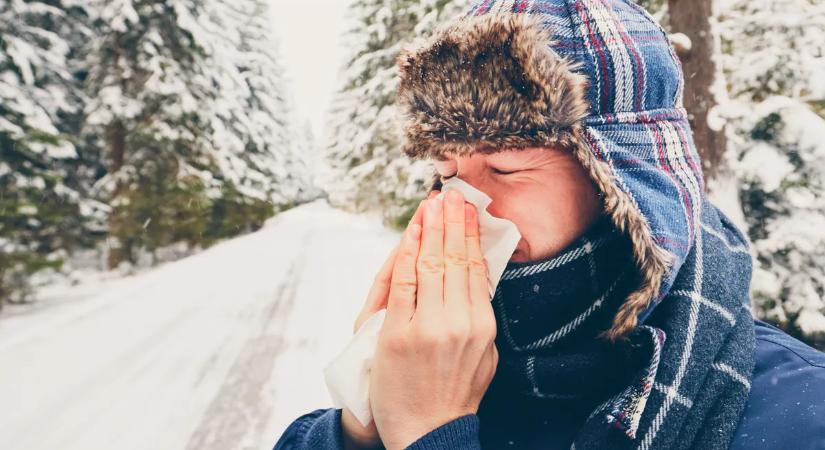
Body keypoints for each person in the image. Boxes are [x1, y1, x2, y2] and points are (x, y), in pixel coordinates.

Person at [274, 1, 825, 449]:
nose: (461, 205)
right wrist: (363, 423)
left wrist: (430, 436)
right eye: (445, 170)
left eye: (507, 167)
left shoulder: (794, 413)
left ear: (626, 183)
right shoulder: (441, 354)